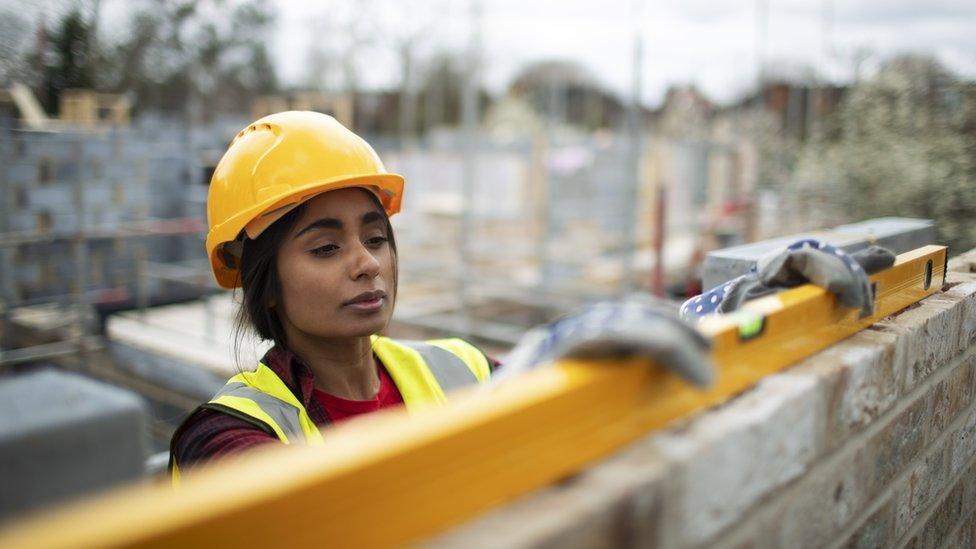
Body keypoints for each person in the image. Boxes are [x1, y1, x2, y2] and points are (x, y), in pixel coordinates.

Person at [169, 111, 496, 481]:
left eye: (375, 239)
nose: (368, 263)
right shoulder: (221, 435)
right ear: (266, 283)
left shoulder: (464, 364)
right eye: (326, 247)